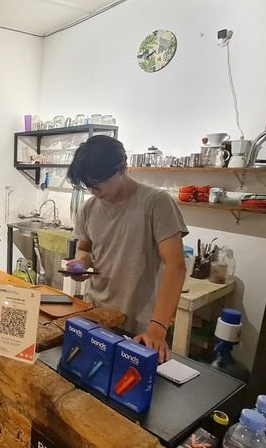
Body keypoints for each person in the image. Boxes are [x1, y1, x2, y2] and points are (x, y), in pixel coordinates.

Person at [66, 135, 187, 362]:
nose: (93, 191)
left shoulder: (156, 203)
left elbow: (176, 266)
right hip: (96, 314)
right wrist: (82, 263)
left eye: (98, 184)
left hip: (140, 326)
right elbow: (85, 249)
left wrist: (158, 328)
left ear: (122, 168)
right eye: (88, 185)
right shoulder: (88, 208)